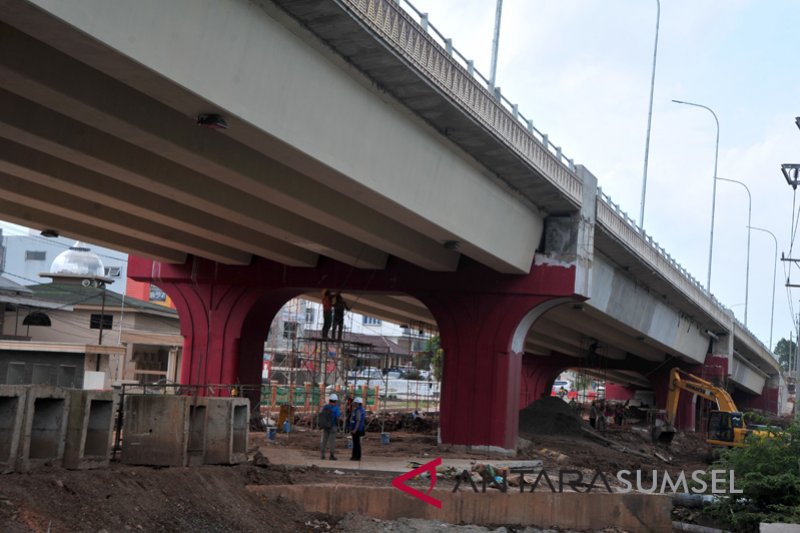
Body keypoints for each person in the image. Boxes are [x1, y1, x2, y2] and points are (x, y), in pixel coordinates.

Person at [319, 393, 340, 460]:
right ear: (335, 401)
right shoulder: (336, 408)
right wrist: (338, 426)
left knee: (323, 441)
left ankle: (322, 455)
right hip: (332, 427)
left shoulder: (325, 407)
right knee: (332, 442)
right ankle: (331, 456)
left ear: (330, 400)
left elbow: (321, 416)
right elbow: (337, 418)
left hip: (325, 427)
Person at [349, 396, 366, 461]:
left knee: (356, 444)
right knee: (356, 443)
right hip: (358, 429)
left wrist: (354, 430)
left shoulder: (358, 411)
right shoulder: (360, 410)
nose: (354, 404)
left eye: (355, 403)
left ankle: (356, 457)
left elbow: (358, 421)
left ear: (358, 403)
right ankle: (356, 456)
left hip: (357, 429)